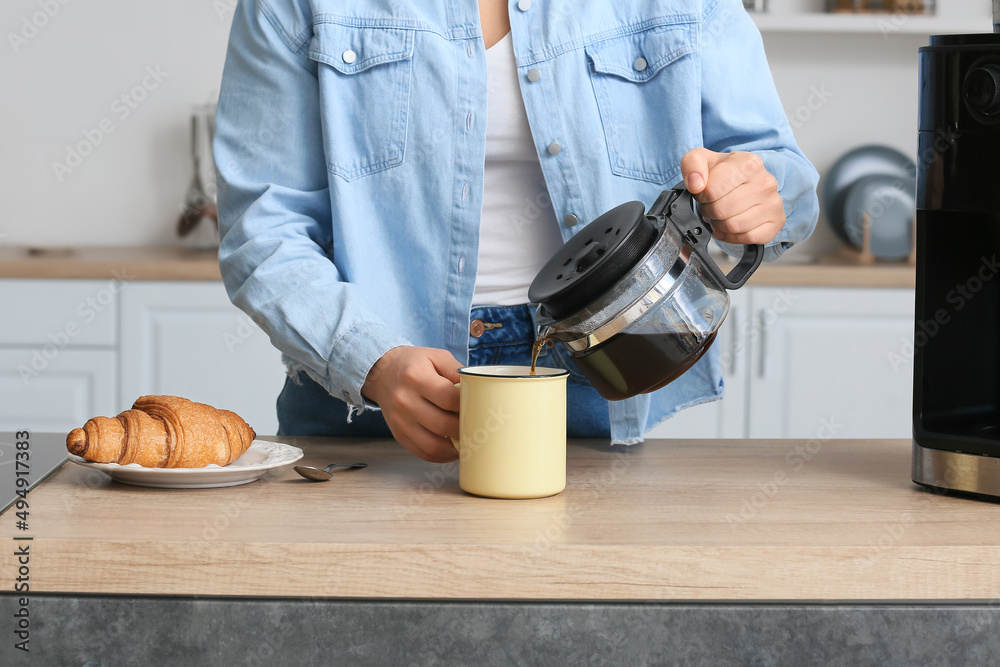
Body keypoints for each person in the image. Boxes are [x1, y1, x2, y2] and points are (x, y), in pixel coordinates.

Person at [213, 0, 820, 463]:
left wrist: (756, 196)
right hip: (373, 392)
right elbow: (261, 225)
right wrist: (370, 360)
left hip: (599, 373)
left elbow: (779, 172)